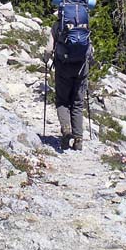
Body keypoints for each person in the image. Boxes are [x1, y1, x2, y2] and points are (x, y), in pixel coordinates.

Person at [44, 19, 93, 151]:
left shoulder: (57, 25)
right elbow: (90, 48)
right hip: (81, 68)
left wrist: (46, 58)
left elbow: (49, 49)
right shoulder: (84, 23)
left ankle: (66, 129)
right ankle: (78, 140)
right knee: (78, 103)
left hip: (63, 68)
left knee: (62, 101)